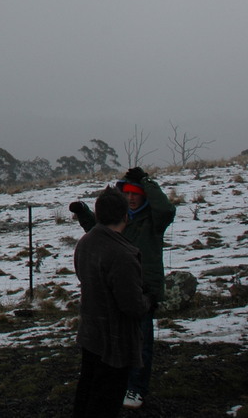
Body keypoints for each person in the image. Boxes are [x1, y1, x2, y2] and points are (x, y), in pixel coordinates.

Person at [70, 167, 176, 409]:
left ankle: (136, 388)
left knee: (141, 344)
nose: (130, 198)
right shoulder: (116, 219)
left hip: (142, 291)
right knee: (114, 346)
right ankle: (114, 386)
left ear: (144, 195)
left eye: (135, 193)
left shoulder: (153, 219)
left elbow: (167, 209)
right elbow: (97, 228)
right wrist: (84, 212)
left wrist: (147, 181)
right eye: (126, 193)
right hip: (114, 293)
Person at [72, 187, 150, 418]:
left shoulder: (85, 242)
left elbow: (83, 277)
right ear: (125, 215)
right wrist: (149, 300)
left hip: (91, 333)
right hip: (115, 341)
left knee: (87, 391)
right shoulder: (122, 254)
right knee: (105, 400)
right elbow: (132, 306)